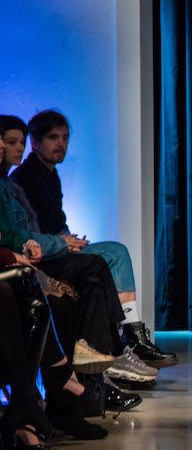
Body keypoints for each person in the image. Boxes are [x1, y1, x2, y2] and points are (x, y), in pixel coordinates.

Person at [3, 111, 177, 374]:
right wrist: (63, 243)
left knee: (108, 258)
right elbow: (25, 234)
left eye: (65, 138)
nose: (61, 143)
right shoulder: (25, 179)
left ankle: (122, 343)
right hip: (46, 253)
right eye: (53, 137)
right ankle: (126, 341)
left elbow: (52, 223)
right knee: (108, 258)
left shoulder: (49, 176)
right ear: (36, 143)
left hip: (53, 247)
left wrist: (69, 239)